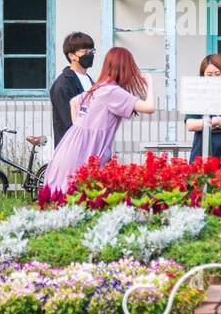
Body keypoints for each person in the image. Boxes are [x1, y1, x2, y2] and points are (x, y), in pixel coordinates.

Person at [43, 47, 155, 194]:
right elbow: (149, 107)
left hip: (67, 149)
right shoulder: (113, 92)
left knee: (60, 202)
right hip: (82, 157)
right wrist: (150, 83)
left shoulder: (99, 87)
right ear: (126, 68)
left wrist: (79, 130)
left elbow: (74, 103)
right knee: (79, 201)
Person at [50, 32, 95, 146]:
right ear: (71, 56)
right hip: (72, 147)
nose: (90, 55)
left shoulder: (90, 81)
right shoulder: (63, 85)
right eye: (85, 52)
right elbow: (68, 122)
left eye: (92, 51)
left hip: (91, 145)